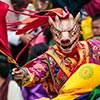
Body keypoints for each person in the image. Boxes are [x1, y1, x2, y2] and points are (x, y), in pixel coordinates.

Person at [12, 8, 100, 100]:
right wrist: (24, 74)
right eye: (59, 34)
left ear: (78, 30)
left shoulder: (93, 46)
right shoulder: (49, 58)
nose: (65, 40)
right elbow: (36, 71)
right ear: (53, 33)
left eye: (71, 33)